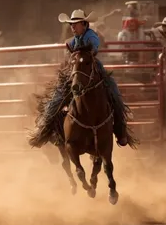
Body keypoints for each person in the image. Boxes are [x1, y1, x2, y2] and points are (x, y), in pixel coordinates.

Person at [44, 9, 131, 147]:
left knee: (115, 96)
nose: (72, 27)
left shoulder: (91, 37)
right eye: (71, 24)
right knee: (56, 98)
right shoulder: (74, 41)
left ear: (84, 24)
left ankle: (120, 131)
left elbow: (94, 48)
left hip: (93, 71)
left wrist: (82, 54)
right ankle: (48, 129)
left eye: (75, 24)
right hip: (75, 72)